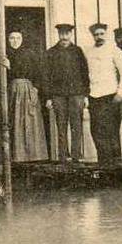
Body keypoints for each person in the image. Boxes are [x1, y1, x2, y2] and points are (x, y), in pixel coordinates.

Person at [83, 22, 122, 164]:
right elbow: (86, 74)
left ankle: (116, 164)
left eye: (101, 34)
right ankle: (103, 163)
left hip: (111, 96)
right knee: (96, 131)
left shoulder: (114, 50)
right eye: (96, 34)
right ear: (93, 36)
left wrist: (121, 93)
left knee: (112, 131)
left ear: (106, 34)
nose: (99, 37)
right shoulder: (88, 51)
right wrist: (87, 95)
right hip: (94, 96)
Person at [44, 23, 90, 162]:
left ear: (71, 34)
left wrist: (86, 94)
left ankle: (76, 156)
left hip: (76, 94)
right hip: (58, 95)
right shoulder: (51, 52)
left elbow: (85, 73)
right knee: (61, 126)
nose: (64, 37)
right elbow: (46, 75)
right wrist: (48, 97)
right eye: (62, 34)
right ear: (58, 35)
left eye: (67, 33)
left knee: (76, 126)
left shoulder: (78, 51)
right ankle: (63, 156)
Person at [1, 30, 48, 163]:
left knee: (29, 122)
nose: (15, 41)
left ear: (22, 39)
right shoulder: (3, 54)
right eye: (11, 38)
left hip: (28, 92)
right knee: (13, 123)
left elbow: (39, 73)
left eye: (17, 38)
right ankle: (15, 158)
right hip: (11, 92)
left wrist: (35, 89)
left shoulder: (30, 54)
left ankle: (33, 157)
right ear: (8, 40)